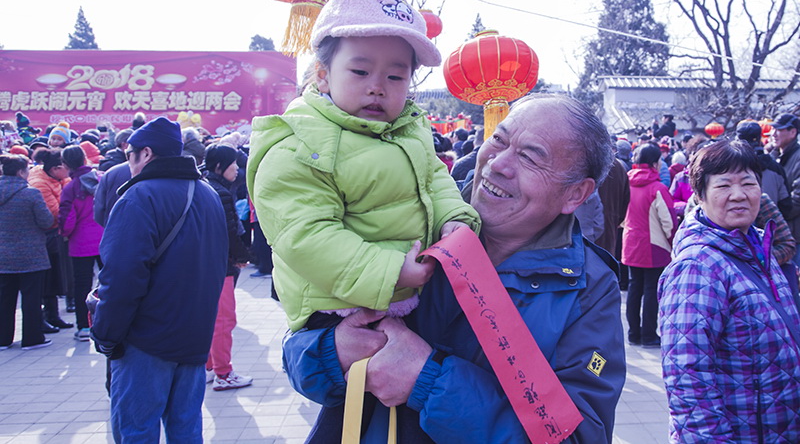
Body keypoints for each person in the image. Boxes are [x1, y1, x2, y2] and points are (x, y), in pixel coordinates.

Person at [282, 93, 626, 443]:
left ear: (575, 194)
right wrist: (332, 351)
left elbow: (580, 436)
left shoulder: (589, 289)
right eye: (499, 139)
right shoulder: (410, 220)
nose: (499, 164)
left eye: (529, 157)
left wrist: (429, 382)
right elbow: (299, 345)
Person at [247, 0, 480, 333]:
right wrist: (388, 271)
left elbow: (435, 180)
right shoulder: (301, 141)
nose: (377, 86)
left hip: (407, 293)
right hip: (337, 309)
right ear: (323, 75)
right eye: (360, 71)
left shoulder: (409, 129)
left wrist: (453, 220)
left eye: (395, 75)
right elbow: (305, 235)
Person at [90, 117, 228, 443]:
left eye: (130, 156)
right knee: (186, 429)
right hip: (194, 337)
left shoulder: (138, 197)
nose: (129, 164)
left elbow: (121, 277)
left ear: (146, 154)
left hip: (145, 340)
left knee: (137, 431)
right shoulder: (207, 194)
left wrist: (106, 334)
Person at [659, 139, 800, 442]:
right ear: (700, 195)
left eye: (748, 183)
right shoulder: (698, 267)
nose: (738, 195)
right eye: (723, 186)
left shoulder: (758, 247)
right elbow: (687, 378)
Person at [202, 143, 253, 391]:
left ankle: (210, 367)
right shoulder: (220, 192)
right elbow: (229, 231)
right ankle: (224, 372)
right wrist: (241, 255)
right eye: (233, 164)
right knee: (223, 320)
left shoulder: (206, 184)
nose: (237, 169)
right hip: (221, 265)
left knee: (212, 318)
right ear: (220, 166)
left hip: (207, 264)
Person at [622, 143, 675, 347]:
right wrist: (673, 242)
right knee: (651, 290)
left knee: (634, 289)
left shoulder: (626, 182)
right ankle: (649, 334)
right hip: (654, 245)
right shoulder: (658, 188)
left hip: (631, 242)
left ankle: (633, 333)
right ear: (655, 163)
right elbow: (668, 222)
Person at [0, 154, 55, 350]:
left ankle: (3, 339)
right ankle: (32, 338)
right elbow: (46, 221)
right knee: (32, 297)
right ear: (21, 172)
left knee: (5, 298)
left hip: (3, 256)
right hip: (31, 255)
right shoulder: (31, 194)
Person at [58, 145, 103, 342]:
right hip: (104, 237)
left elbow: (67, 219)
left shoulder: (71, 187)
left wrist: (64, 233)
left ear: (66, 164)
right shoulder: (100, 179)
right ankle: (110, 320)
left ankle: (84, 326)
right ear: (85, 159)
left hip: (80, 242)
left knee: (82, 286)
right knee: (110, 281)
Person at [28, 148, 73, 331]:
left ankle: (53, 316)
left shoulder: (59, 178)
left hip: (56, 233)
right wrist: (70, 201)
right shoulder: (39, 183)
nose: (69, 172)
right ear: (56, 169)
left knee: (54, 277)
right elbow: (54, 213)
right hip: (47, 236)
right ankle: (48, 316)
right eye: (66, 168)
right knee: (48, 278)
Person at [770, 113, 800, 261]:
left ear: (793, 132)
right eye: (772, 129)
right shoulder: (772, 156)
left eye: (779, 129)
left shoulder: (798, 157)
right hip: (779, 233)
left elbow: (798, 199)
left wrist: (775, 216)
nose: (773, 134)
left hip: (794, 233)